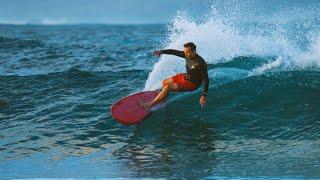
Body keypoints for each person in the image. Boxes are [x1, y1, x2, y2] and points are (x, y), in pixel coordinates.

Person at [138, 42, 209, 110]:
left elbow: (206, 80)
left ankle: (149, 105)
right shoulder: (186, 54)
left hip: (192, 84)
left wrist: (204, 96)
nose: (185, 54)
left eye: (187, 52)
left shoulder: (200, 63)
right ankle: (162, 96)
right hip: (186, 76)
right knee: (164, 82)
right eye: (184, 51)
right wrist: (161, 52)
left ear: (194, 51)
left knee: (167, 87)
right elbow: (173, 52)